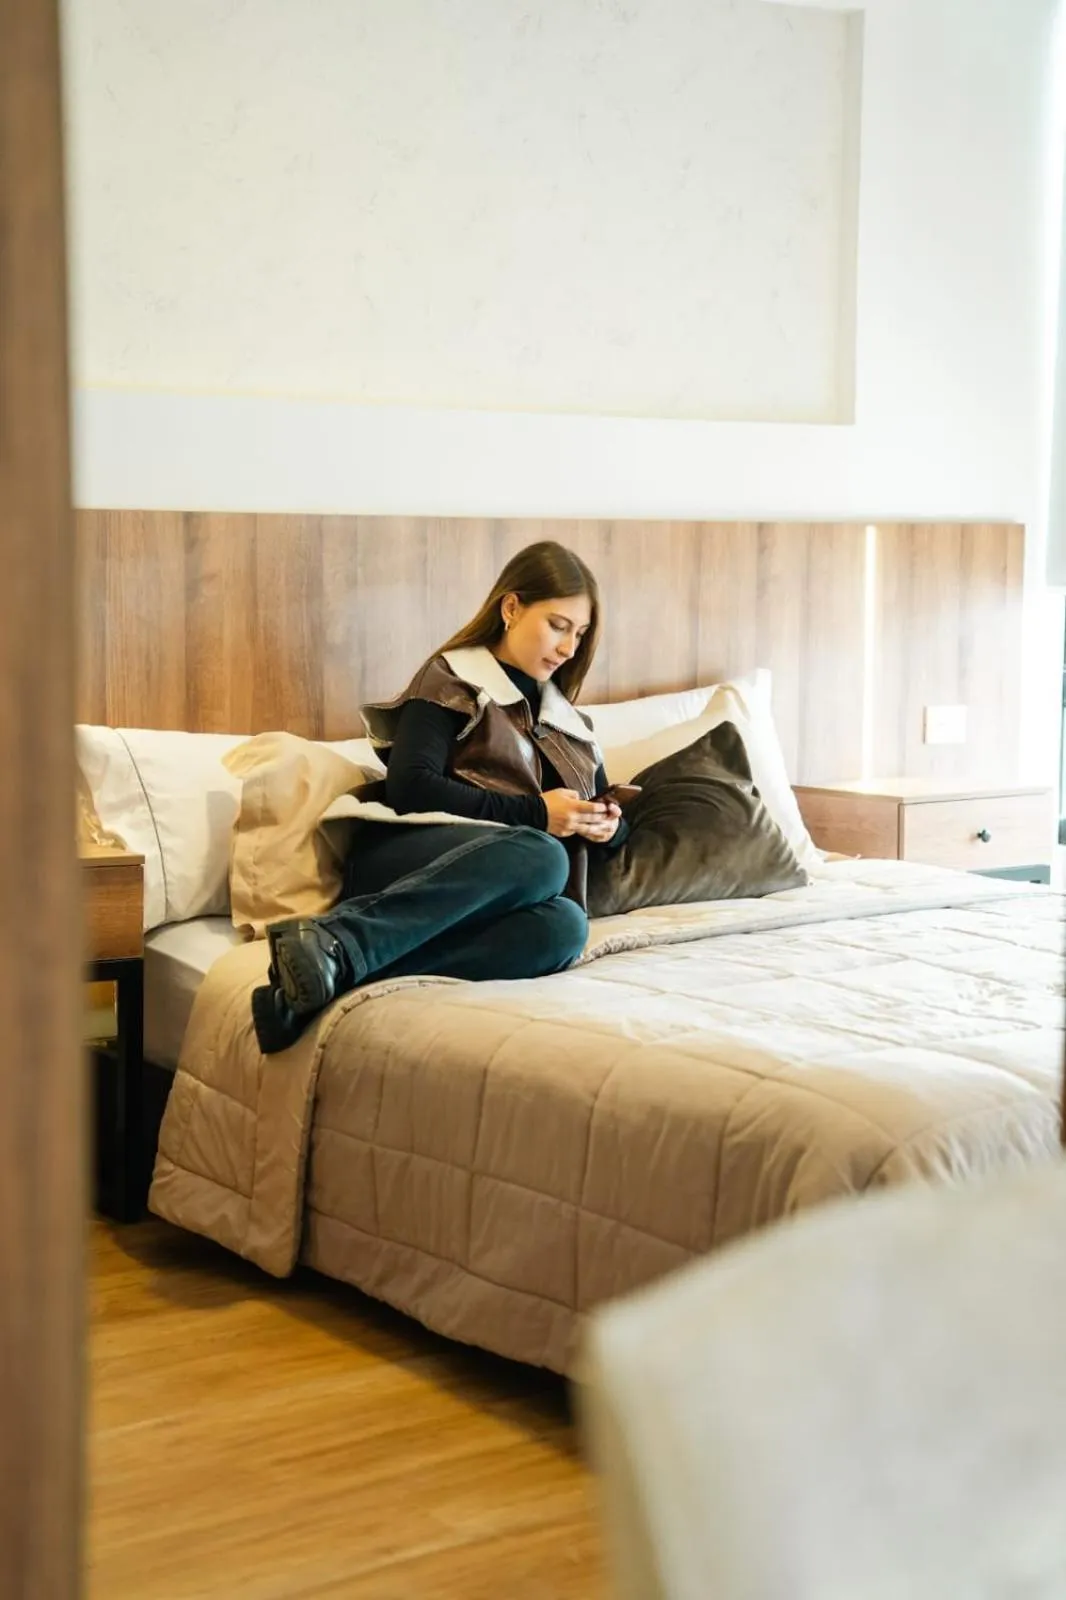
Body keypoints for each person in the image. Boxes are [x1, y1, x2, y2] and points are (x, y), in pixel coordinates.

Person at [251, 540, 627, 1054]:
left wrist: (606, 823)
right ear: (511, 608)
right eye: (558, 625)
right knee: (542, 856)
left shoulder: (568, 722)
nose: (568, 648)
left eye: (579, 635)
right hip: (411, 860)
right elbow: (411, 786)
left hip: (499, 887)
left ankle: (320, 977)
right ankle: (341, 936)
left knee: (564, 927)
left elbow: (601, 803)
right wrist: (538, 813)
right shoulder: (451, 680)